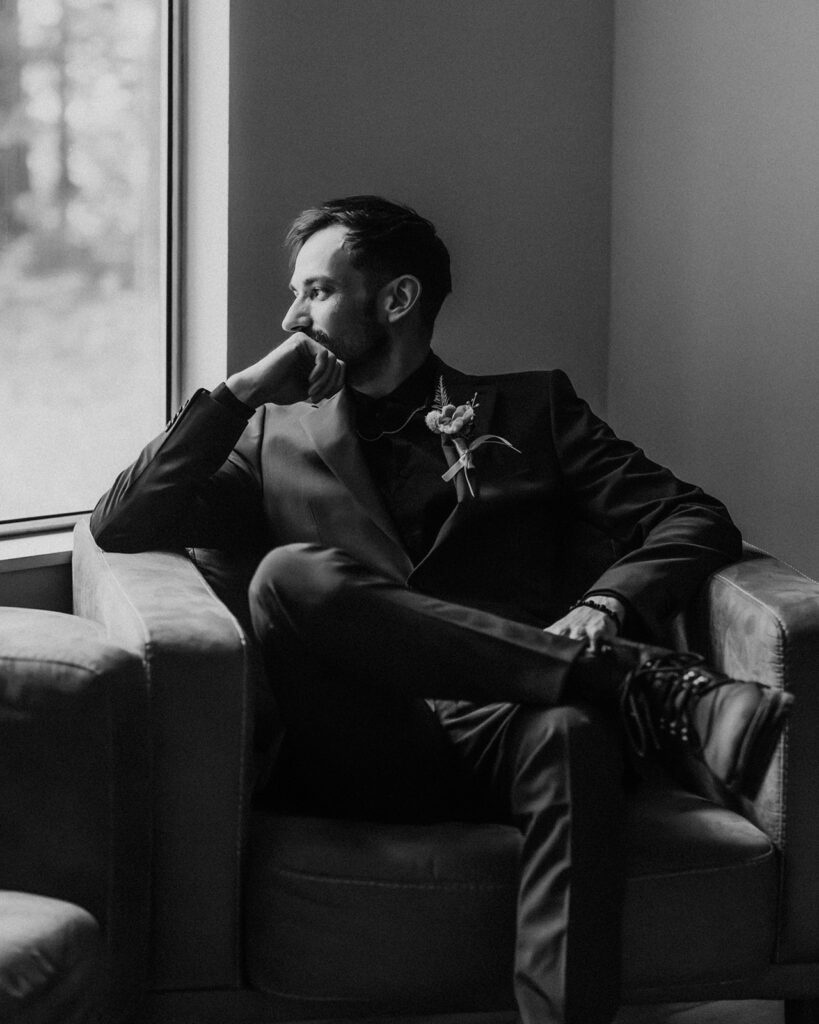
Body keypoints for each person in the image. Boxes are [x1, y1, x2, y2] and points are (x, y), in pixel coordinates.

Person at [91, 195, 792, 1024]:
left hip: (511, 721)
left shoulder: (531, 411)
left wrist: (608, 600)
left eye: (314, 291)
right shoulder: (272, 435)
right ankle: (650, 687)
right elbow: (123, 521)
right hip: (361, 740)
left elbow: (693, 516)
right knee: (288, 576)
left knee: (571, 734)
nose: (291, 315)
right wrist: (241, 393)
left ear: (395, 299)